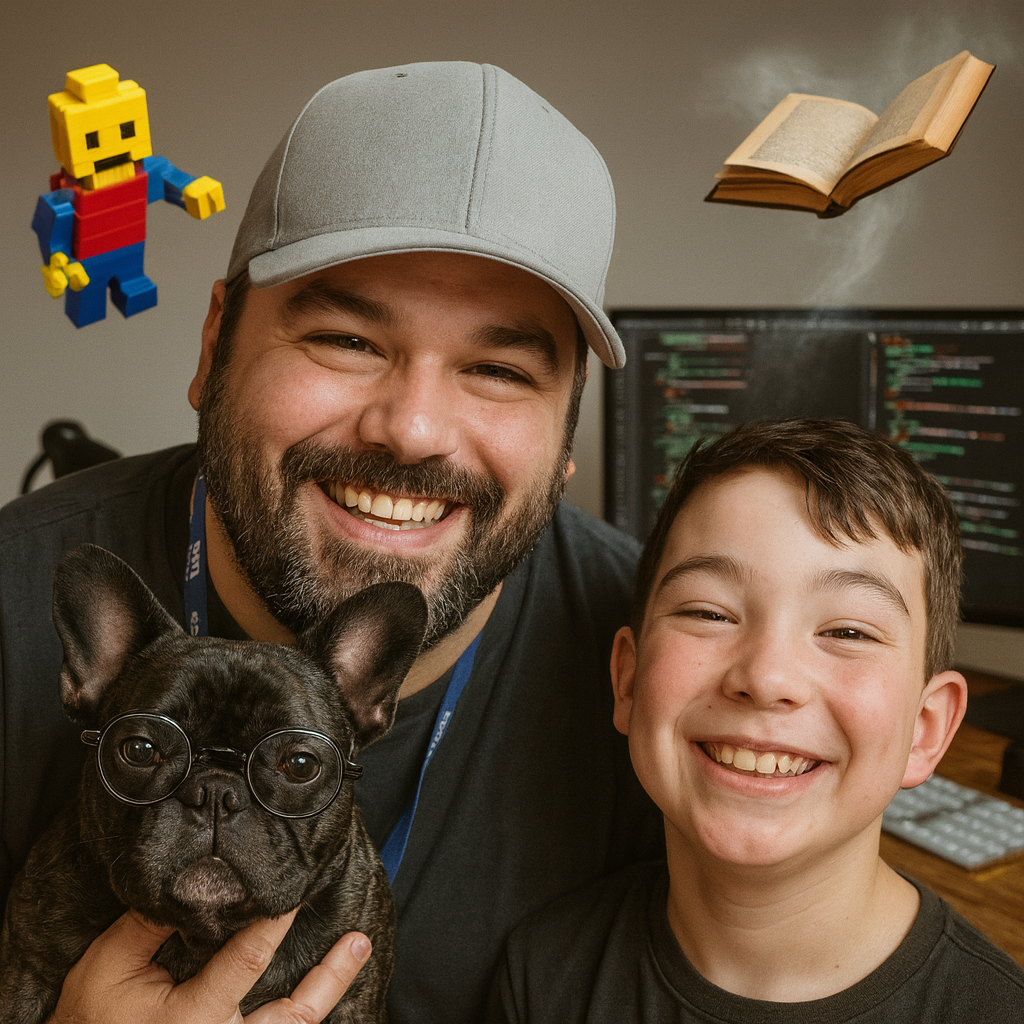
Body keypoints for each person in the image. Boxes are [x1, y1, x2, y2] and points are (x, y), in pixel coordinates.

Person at [0, 62, 661, 1022]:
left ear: (565, 440)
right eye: (348, 341)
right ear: (213, 346)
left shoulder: (661, 665)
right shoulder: (12, 596)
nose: (413, 428)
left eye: (499, 368)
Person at [487, 418, 1024, 1022]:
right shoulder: (543, 976)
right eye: (710, 613)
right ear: (629, 681)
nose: (766, 678)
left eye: (847, 630)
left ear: (927, 729)